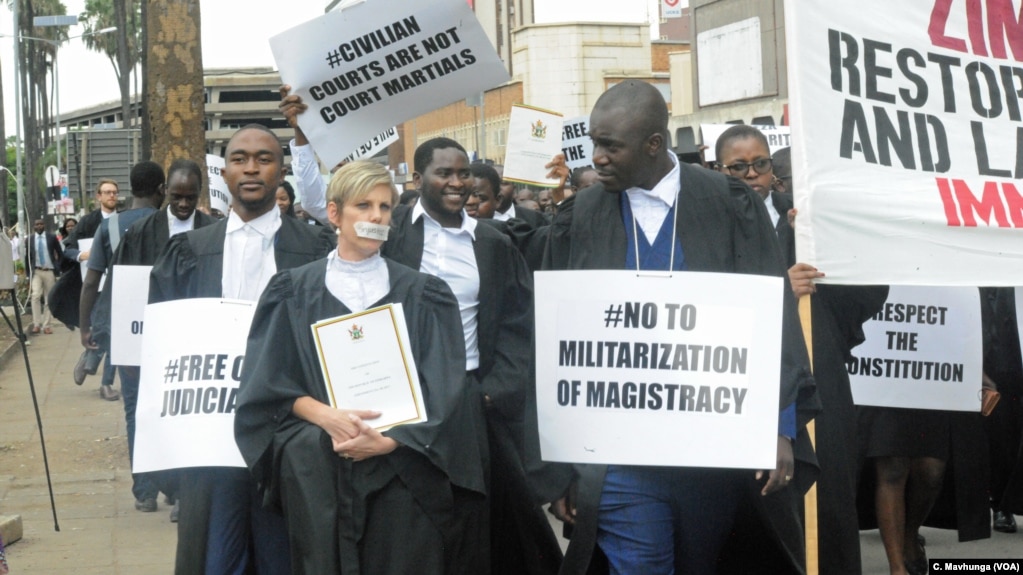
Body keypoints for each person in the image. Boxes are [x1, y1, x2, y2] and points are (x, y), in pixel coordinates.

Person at [543, 81, 815, 575]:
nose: (597, 158)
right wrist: (561, 464)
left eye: (610, 146)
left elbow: (770, 316)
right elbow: (557, 341)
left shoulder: (731, 204)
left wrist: (780, 427)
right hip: (619, 455)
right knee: (642, 564)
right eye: (594, 144)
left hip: (714, 447)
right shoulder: (580, 216)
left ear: (653, 145)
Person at [235, 160, 488, 574]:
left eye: (385, 207)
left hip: (403, 471)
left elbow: (445, 389)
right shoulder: (292, 291)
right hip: (321, 470)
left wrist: (395, 441)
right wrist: (325, 416)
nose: (375, 217)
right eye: (363, 205)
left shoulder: (424, 295)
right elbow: (265, 385)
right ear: (334, 213)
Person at [149, 124, 334, 575]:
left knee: (286, 551)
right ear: (225, 172)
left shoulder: (316, 249)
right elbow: (162, 349)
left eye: (264, 158)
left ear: (281, 169)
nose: (251, 168)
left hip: (291, 430)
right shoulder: (189, 251)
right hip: (213, 431)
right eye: (239, 158)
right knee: (217, 553)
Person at [382, 137, 563, 574]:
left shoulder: (492, 243)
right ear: (419, 177)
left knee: (475, 517)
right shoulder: (392, 231)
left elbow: (519, 324)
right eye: (444, 172)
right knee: (408, 518)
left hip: (468, 399)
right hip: (402, 399)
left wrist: (492, 391)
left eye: (463, 173)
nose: (457, 182)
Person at [716, 124, 888, 574]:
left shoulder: (805, 226)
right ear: (719, 169)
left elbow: (865, 297)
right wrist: (778, 288)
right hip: (741, 388)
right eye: (739, 166)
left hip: (817, 382)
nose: (752, 174)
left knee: (825, 504)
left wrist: (833, 244)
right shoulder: (706, 227)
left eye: (761, 164)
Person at [90, 158, 216, 520]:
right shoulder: (142, 232)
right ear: (165, 192)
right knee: (150, 418)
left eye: (190, 197)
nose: (183, 205)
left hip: (195, 345)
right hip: (150, 343)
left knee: (189, 418)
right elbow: (120, 290)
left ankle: (182, 494)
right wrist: (122, 350)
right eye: (176, 196)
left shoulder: (214, 231)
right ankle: (154, 487)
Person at [80, 162, 167, 405]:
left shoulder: (109, 225)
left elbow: (90, 282)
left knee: (132, 399)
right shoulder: (168, 223)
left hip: (124, 321)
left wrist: (86, 326)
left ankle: (135, 443)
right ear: (161, 189)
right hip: (161, 319)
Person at [60, 179, 121, 397]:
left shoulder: (123, 221)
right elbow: (66, 248)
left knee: (116, 333)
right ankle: (89, 359)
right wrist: (81, 255)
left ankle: (104, 381)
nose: (111, 196)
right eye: (107, 192)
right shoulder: (87, 223)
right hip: (94, 287)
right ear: (98, 196)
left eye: (114, 192)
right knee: (103, 329)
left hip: (117, 285)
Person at [25, 218, 62, 335]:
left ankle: (46, 325)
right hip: (36, 271)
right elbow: (27, 257)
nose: (39, 226)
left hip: (49, 271)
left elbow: (60, 253)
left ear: (44, 225)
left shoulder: (51, 238)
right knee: (35, 295)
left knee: (48, 298)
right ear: (34, 226)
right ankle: (36, 324)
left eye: (41, 224)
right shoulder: (29, 239)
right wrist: (28, 274)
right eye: (37, 224)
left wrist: (58, 267)